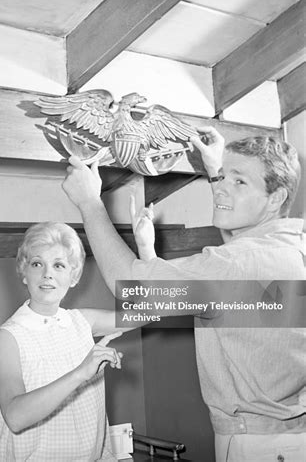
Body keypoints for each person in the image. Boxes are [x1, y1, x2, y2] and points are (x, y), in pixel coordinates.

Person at [62, 127, 306, 461]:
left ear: (275, 198)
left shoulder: (235, 265)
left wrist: (89, 202)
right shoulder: (292, 248)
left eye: (240, 182)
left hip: (256, 446)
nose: (222, 188)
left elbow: (133, 289)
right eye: (224, 179)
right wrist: (218, 171)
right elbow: (238, 261)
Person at [0, 222, 144, 461]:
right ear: (24, 272)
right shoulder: (8, 337)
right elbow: (15, 418)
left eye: (59, 265)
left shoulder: (82, 322)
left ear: (73, 277)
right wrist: (81, 372)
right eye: (37, 263)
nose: (47, 273)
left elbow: (151, 312)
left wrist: (145, 247)